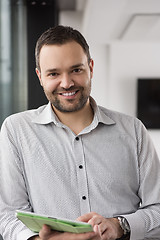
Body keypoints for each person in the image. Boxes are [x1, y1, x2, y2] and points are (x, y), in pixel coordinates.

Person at [0, 25, 160, 240]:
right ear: (40, 76)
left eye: (76, 70)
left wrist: (119, 225)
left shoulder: (133, 130)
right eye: (54, 73)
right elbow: (8, 215)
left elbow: (157, 209)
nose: (66, 83)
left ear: (91, 68)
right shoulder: (16, 130)